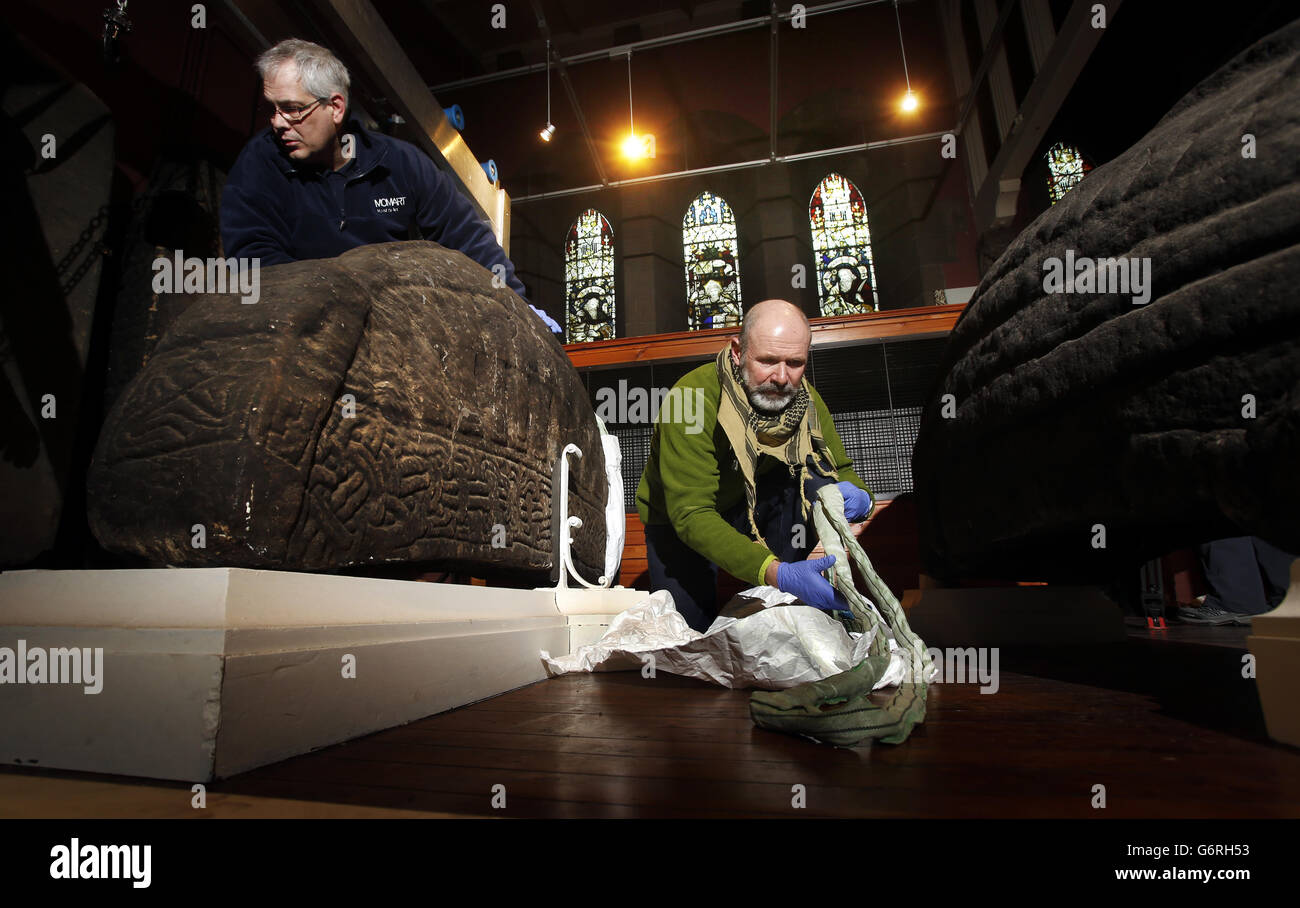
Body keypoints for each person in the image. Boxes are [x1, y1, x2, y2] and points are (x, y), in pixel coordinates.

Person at [220, 38, 561, 333]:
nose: (278, 123)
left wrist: (517, 304)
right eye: (273, 109)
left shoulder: (399, 164)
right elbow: (253, 256)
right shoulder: (259, 164)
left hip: (390, 321)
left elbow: (465, 236)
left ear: (336, 107)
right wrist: (326, 301)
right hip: (296, 319)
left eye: (292, 110)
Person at [636, 298, 874, 631]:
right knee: (685, 638)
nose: (781, 377)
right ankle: (777, 583)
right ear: (737, 351)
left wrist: (862, 498)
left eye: (795, 362)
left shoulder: (805, 401)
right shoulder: (689, 400)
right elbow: (692, 514)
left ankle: (774, 614)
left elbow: (842, 470)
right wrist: (778, 574)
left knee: (813, 480)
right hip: (680, 519)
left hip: (751, 508)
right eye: (767, 360)